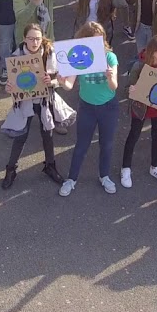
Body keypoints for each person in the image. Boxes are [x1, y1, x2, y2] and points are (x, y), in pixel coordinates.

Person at [57, 22, 120, 197]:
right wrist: (62, 82)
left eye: (99, 41)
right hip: (87, 108)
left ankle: (104, 176)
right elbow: (69, 84)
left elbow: (114, 86)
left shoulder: (110, 57)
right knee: (81, 145)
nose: (96, 46)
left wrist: (110, 77)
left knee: (106, 145)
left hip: (108, 107)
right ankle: (71, 179)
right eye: (92, 42)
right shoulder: (79, 57)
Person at [0, 23, 65, 189]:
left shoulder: (50, 53)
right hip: (26, 102)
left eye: (38, 39)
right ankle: (10, 169)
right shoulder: (17, 56)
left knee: (47, 135)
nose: (35, 42)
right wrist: (9, 88)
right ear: (24, 39)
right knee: (20, 136)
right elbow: (12, 84)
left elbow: (60, 78)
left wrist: (52, 82)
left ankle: (50, 166)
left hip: (44, 100)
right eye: (31, 39)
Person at [123, 36, 157, 187]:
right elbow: (127, 88)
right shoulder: (139, 66)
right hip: (141, 107)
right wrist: (132, 90)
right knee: (134, 135)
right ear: (153, 53)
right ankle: (125, 168)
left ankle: (155, 166)